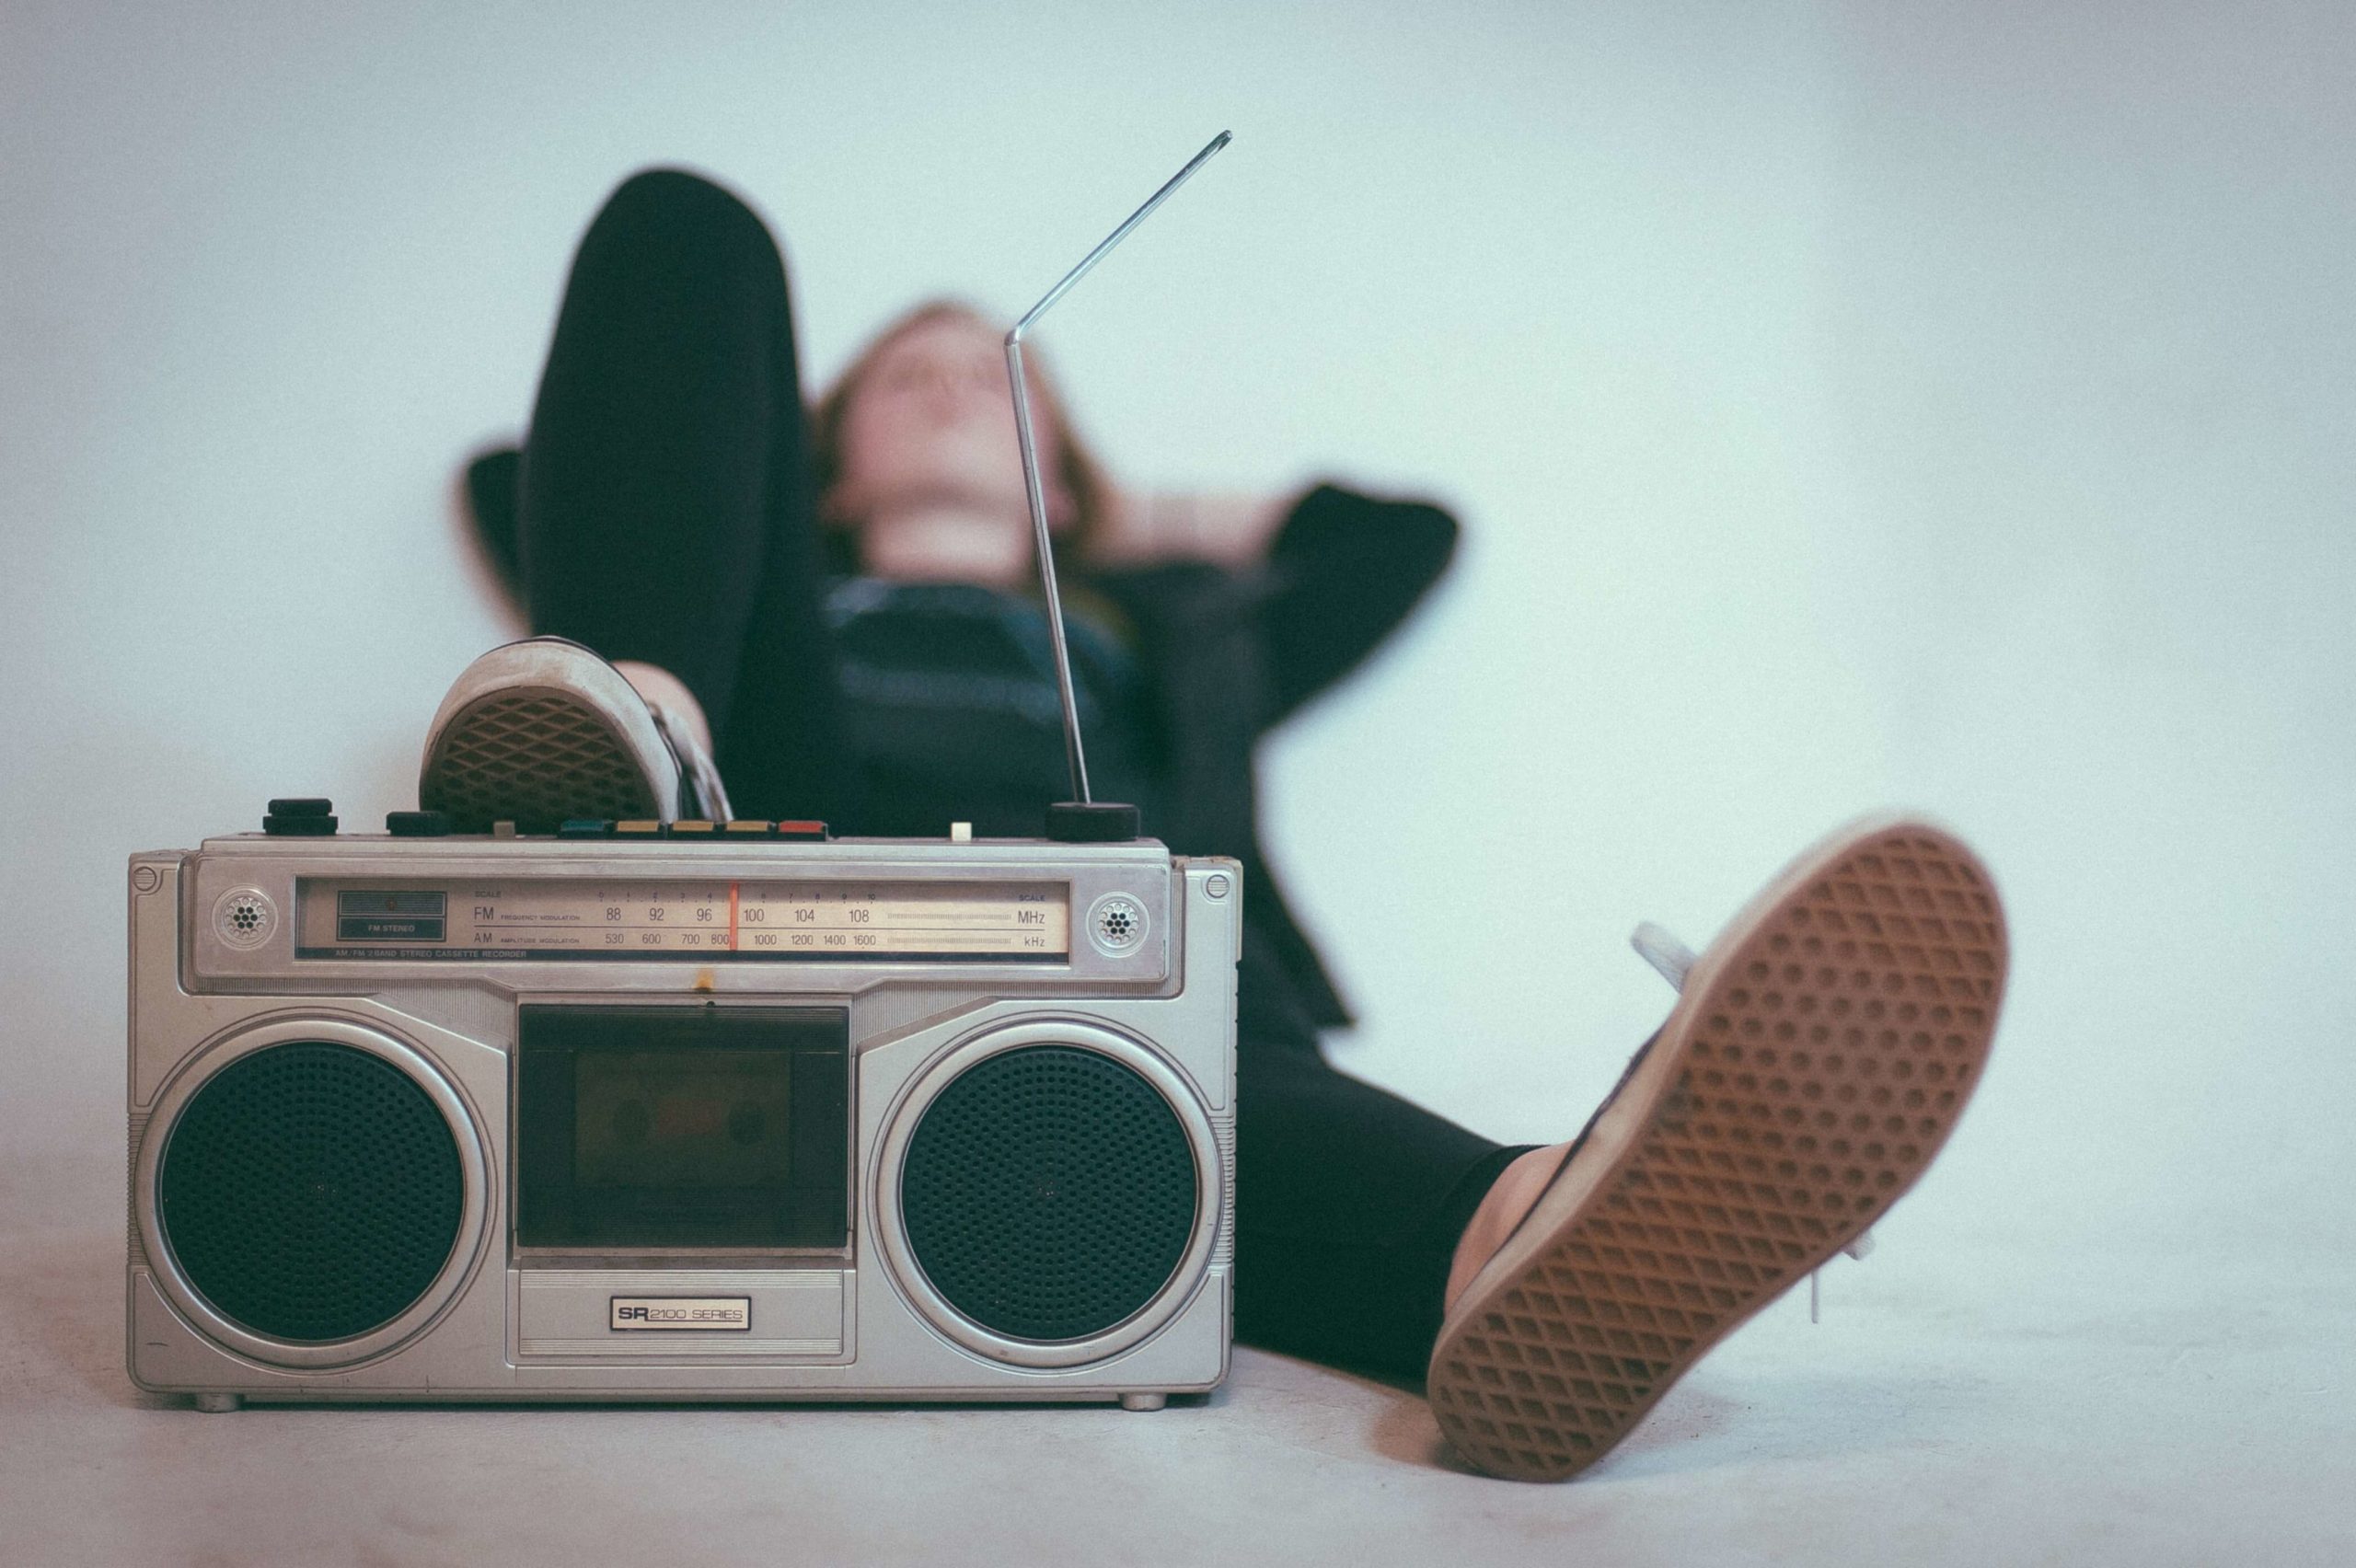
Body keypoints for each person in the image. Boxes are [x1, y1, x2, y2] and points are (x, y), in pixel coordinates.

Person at [426, 167, 2010, 1482]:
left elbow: (1401, 541)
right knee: (686, 222)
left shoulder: (1179, 629)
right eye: (908, 381)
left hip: (1111, 961)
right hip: (783, 851)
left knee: (1204, 1068)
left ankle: (1531, 1234)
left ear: (1064, 483)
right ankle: (642, 743)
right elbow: (532, 476)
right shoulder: (775, 599)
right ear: (824, 456)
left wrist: (1116, 515)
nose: (953, 391)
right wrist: (736, 537)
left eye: (1001, 382)